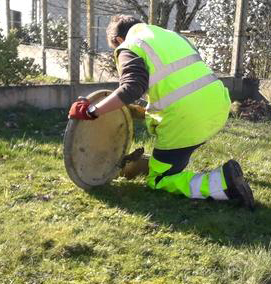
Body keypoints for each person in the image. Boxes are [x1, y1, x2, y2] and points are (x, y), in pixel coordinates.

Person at [68, 15, 254, 210]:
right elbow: (175, 86)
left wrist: (93, 110)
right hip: (218, 105)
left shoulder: (130, 45)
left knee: (160, 179)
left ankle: (224, 182)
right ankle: (157, 163)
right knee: (171, 158)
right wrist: (136, 112)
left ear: (118, 40)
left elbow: (132, 87)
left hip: (188, 120)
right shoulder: (170, 36)